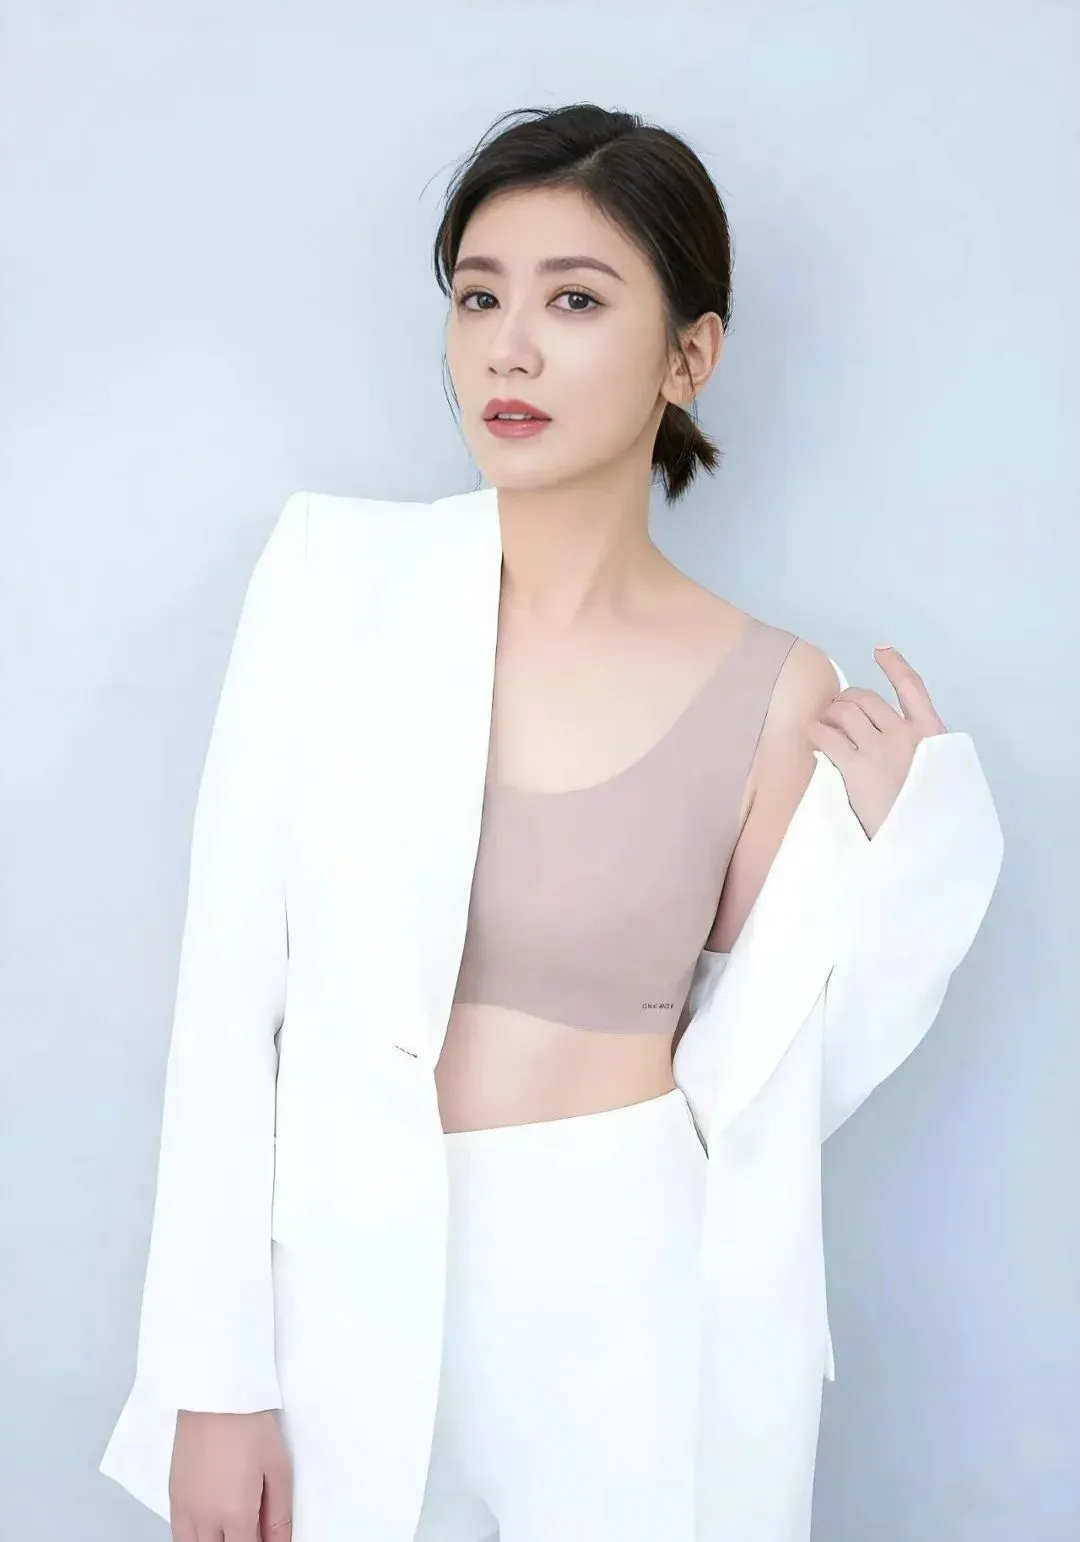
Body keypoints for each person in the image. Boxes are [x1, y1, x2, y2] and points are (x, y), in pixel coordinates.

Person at [99, 104, 1004, 1542]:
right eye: (479, 296)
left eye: (574, 300)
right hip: (341, 1293)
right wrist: (212, 1381)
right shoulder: (332, 585)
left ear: (689, 357)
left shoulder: (780, 691)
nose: (508, 349)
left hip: (632, 1309)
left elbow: (774, 1084)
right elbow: (227, 1003)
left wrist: (908, 866)